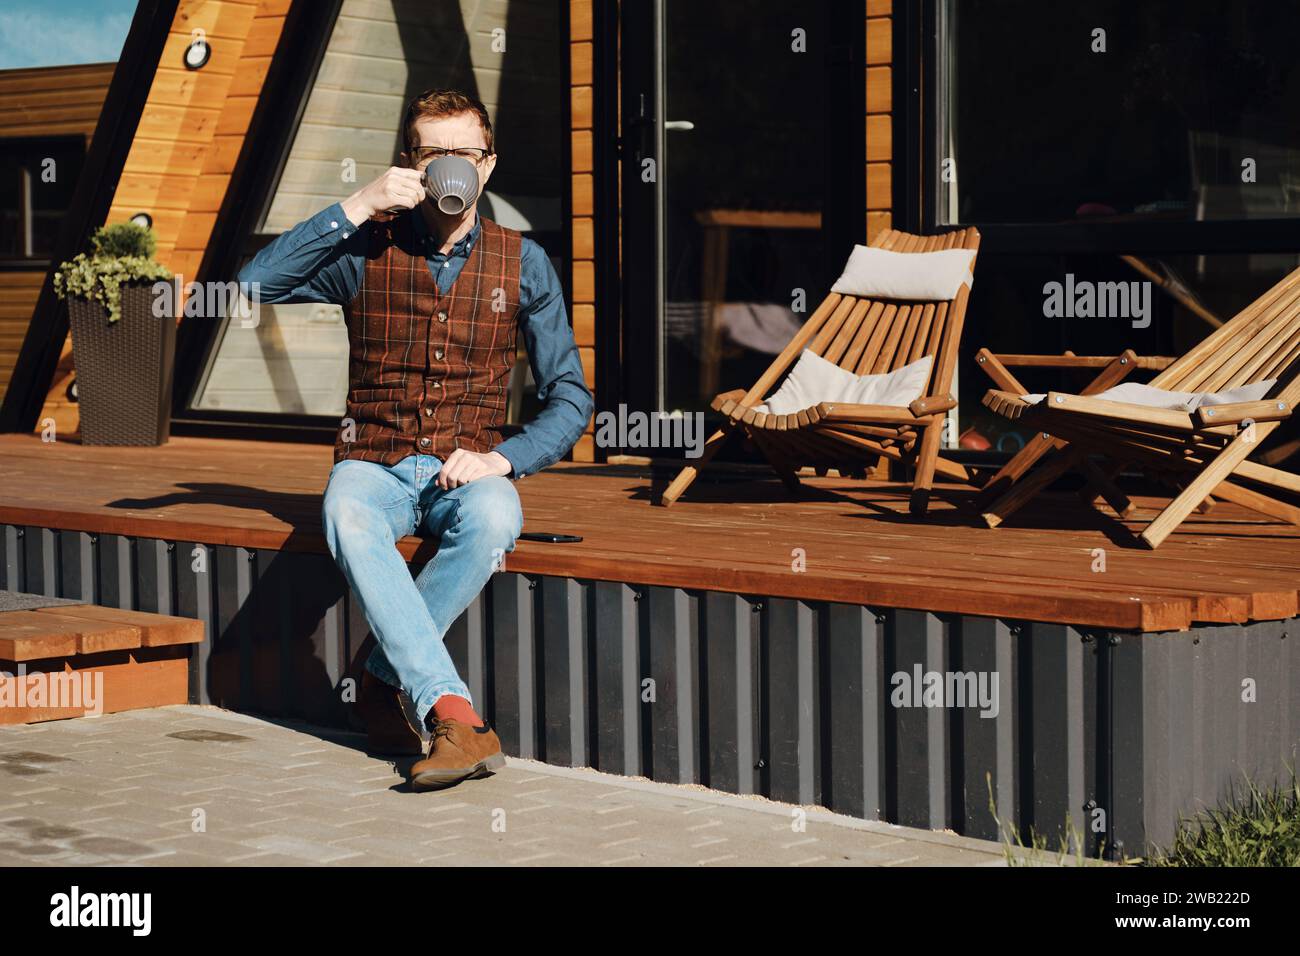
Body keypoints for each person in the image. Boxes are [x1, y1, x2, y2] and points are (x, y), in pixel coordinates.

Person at [238, 89, 593, 791]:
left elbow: (571, 398)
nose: (452, 166)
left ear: (487, 166)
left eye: (465, 153)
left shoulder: (525, 264)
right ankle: (455, 714)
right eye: (436, 154)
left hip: (469, 465)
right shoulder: (365, 249)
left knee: (498, 514)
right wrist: (357, 205)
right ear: (412, 164)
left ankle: (379, 677)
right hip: (374, 458)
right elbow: (252, 283)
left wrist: (503, 457)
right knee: (346, 511)